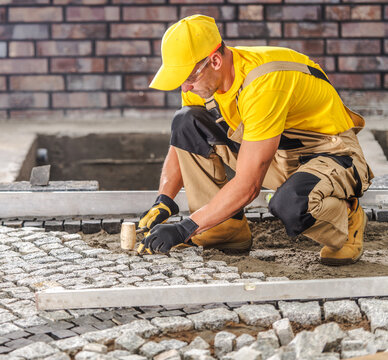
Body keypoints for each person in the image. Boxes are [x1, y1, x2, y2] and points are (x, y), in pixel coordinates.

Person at [137, 14, 373, 266]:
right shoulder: (206, 83)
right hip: (275, 151)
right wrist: (164, 200)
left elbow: (249, 185)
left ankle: (347, 220)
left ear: (214, 60)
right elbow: (183, 140)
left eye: (188, 78)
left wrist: (186, 227)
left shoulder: (264, 83)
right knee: (187, 120)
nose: (184, 88)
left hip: (328, 153)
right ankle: (225, 229)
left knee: (291, 204)